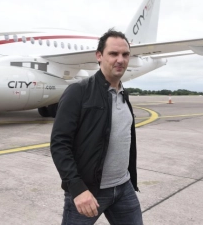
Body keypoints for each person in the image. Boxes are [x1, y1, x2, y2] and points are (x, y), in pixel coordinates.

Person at [50, 29, 143, 225]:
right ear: (99, 56)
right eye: (113, 54)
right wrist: (77, 189)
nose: (120, 59)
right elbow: (59, 144)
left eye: (125, 54)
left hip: (123, 187)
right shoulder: (79, 91)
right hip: (88, 190)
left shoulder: (123, 94)